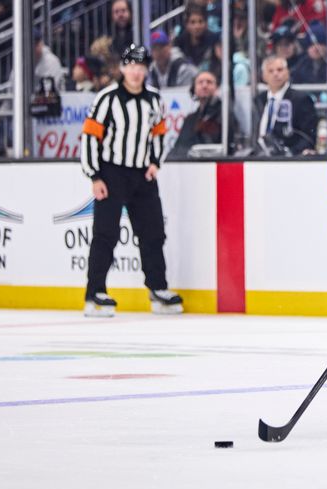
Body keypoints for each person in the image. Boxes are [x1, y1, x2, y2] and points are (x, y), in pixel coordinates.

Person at [79, 44, 184, 317]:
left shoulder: (153, 99)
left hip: (142, 174)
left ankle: (158, 288)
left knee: (152, 233)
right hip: (111, 172)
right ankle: (95, 292)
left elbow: (159, 133)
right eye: (132, 66)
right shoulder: (107, 98)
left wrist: (154, 162)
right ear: (123, 68)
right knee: (105, 233)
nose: (136, 72)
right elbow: (90, 137)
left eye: (141, 67)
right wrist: (95, 175)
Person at [253, 55, 317, 156]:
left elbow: (308, 137)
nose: (275, 74)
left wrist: (290, 153)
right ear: (264, 76)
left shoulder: (300, 99)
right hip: (259, 157)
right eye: (271, 71)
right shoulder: (259, 99)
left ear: (287, 72)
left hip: (287, 159)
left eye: (280, 70)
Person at [170, 70, 239, 157]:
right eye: (200, 82)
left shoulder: (225, 115)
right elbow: (179, 148)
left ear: (216, 88)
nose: (204, 85)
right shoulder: (190, 119)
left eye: (209, 82)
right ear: (194, 88)